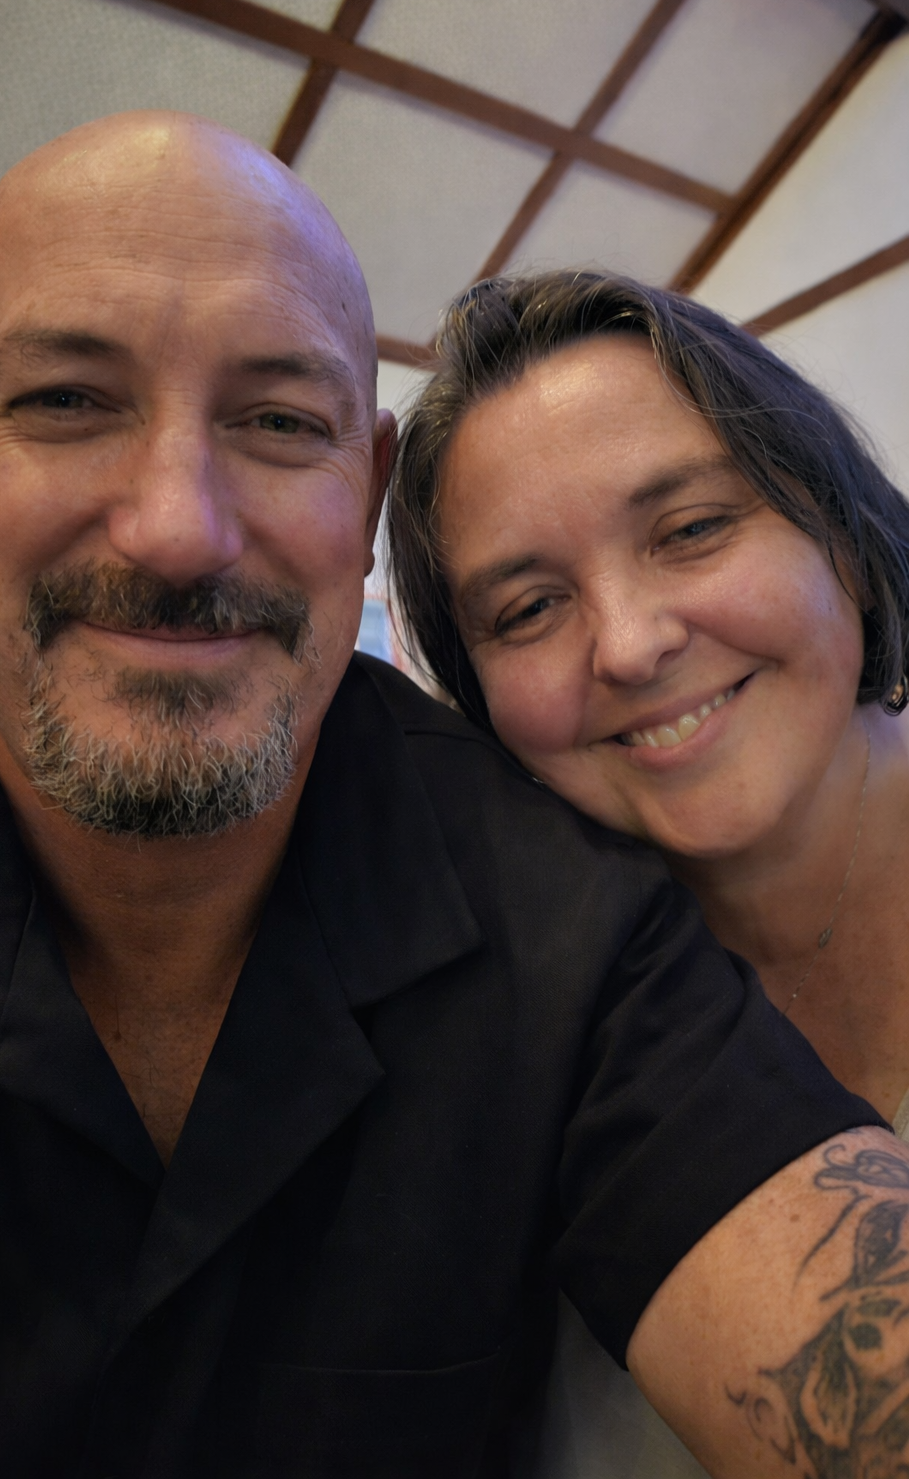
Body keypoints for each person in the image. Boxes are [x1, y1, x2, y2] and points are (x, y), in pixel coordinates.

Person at [0, 117, 901, 1479]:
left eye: (279, 421)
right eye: (69, 401)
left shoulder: (563, 914)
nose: (178, 526)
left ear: (360, 498)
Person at [388, 268, 909, 1478]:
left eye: (690, 531)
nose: (628, 645)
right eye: (528, 608)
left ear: (836, 524)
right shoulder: (501, 1028)